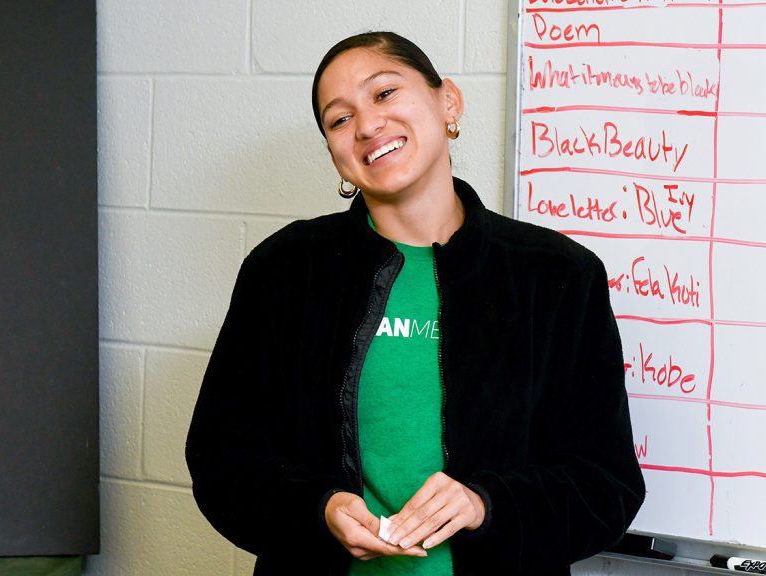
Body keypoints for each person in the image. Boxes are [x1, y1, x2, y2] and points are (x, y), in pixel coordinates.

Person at [186, 31, 645, 575]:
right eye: (339, 119)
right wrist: (320, 507)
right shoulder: (285, 269)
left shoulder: (557, 275)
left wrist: (485, 503)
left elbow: (605, 484)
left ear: (447, 101)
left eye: (384, 93)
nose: (367, 125)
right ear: (335, 155)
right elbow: (222, 461)